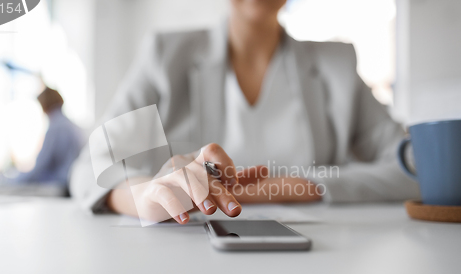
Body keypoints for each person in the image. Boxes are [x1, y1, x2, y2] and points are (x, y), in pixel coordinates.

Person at [70, 0, 419, 222]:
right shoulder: (166, 59)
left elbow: (417, 167)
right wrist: (146, 196)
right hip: (185, 257)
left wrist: (297, 186)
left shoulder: (335, 66)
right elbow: (91, 166)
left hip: (319, 260)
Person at [15, 86, 84, 189]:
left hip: (60, 186)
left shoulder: (56, 128)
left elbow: (41, 164)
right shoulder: (71, 125)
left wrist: (15, 182)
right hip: (73, 183)